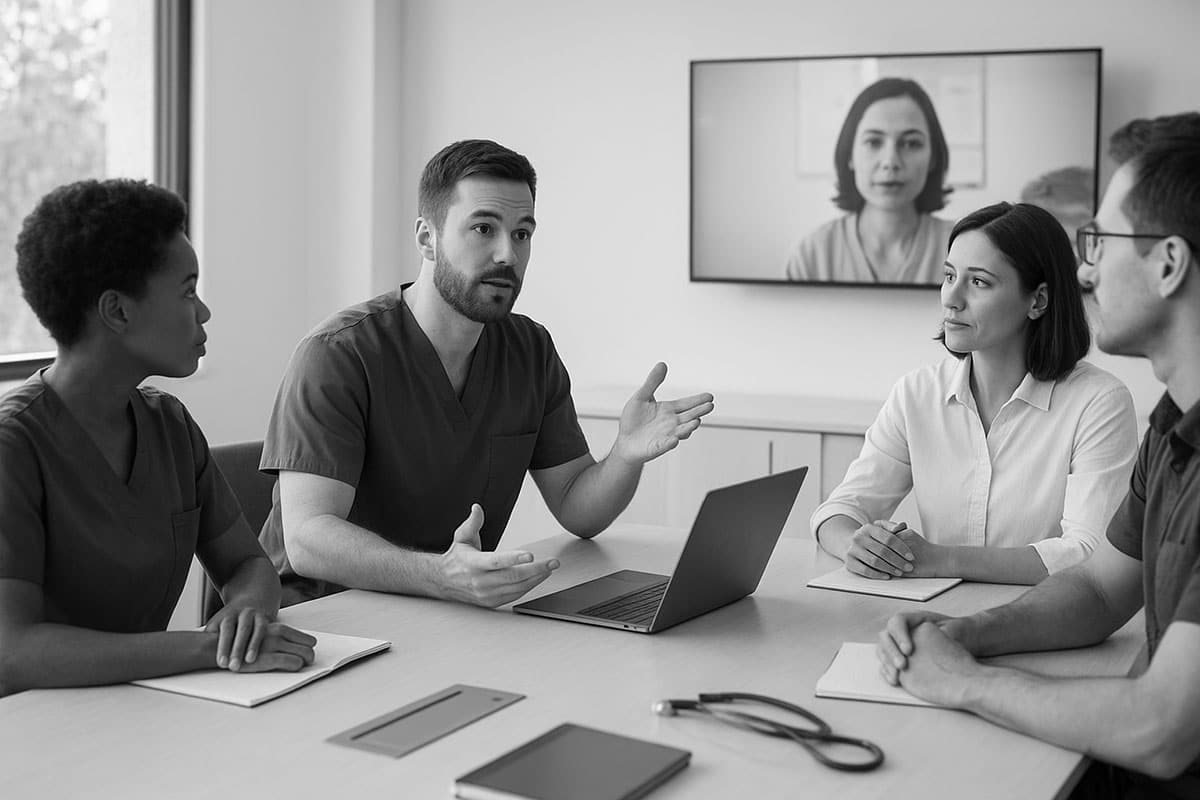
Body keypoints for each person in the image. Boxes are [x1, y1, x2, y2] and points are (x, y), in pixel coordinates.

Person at [877, 113, 1200, 797]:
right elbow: (1094, 588)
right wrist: (966, 633)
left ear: (1169, 263)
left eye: (1100, 241)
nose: (1086, 267)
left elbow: (1162, 731)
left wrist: (965, 681)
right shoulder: (1173, 432)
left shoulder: (1108, 403)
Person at [260, 139, 715, 608]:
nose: (508, 255)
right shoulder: (338, 355)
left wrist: (624, 455)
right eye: (483, 228)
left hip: (447, 612)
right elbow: (308, 539)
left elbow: (579, 510)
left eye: (522, 234)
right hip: (321, 622)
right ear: (426, 238)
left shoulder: (529, 350)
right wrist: (441, 576)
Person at [0, 179, 315, 696]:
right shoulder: (14, 446)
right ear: (117, 311)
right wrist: (205, 649)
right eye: (188, 290)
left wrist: (246, 616)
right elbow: (12, 652)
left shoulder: (170, 424)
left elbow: (247, 564)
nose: (205, 311)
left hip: (145, 711)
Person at [812, 201, 1137, 584]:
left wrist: (942, 560)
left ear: (1038, 301)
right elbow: (842, 508)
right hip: (932, 615)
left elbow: (1089, 552)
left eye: (978, 282)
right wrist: (856, 543)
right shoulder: (917, 393)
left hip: (1046, 622)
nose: (952, 297)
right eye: (949, 276)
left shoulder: (1099, 402)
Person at [784, 77, 957, 284]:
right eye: (874, 142)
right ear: (850, 155)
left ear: (933, 158)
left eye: (911, 143)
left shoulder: (961, 251)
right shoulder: (812, 255)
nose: (890, 161)